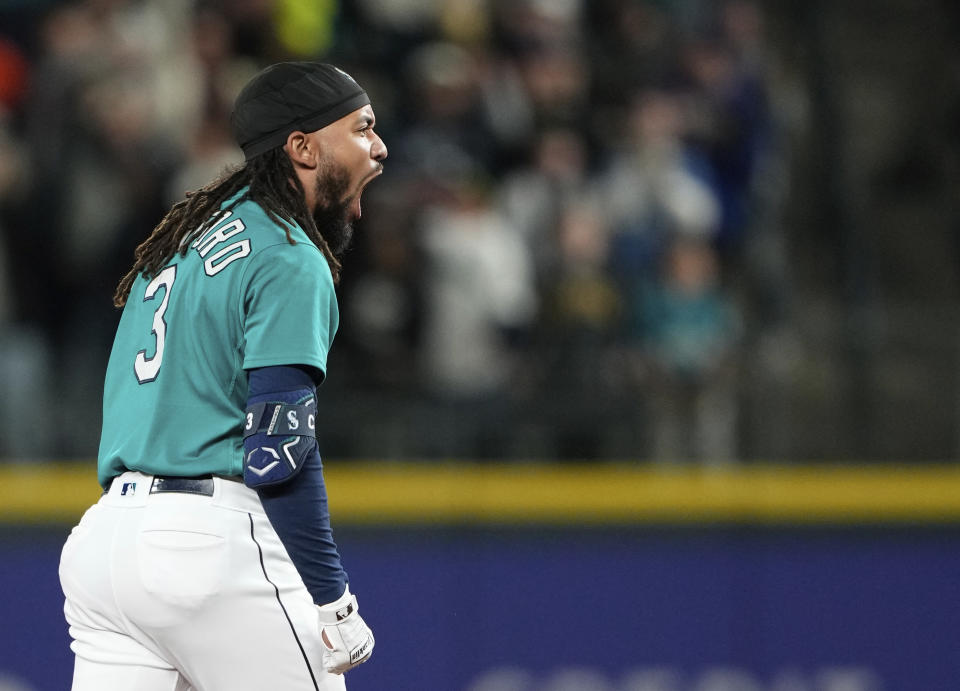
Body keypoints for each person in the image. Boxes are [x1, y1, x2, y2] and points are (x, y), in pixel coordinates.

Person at [58, 61, 387, 691]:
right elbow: (278, 451)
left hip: (105, 543)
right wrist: (333, 598)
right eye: (362, 128)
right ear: (303, 147)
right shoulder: (288, 252)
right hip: (204, 544)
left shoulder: (181, 242)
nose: (379, 146)